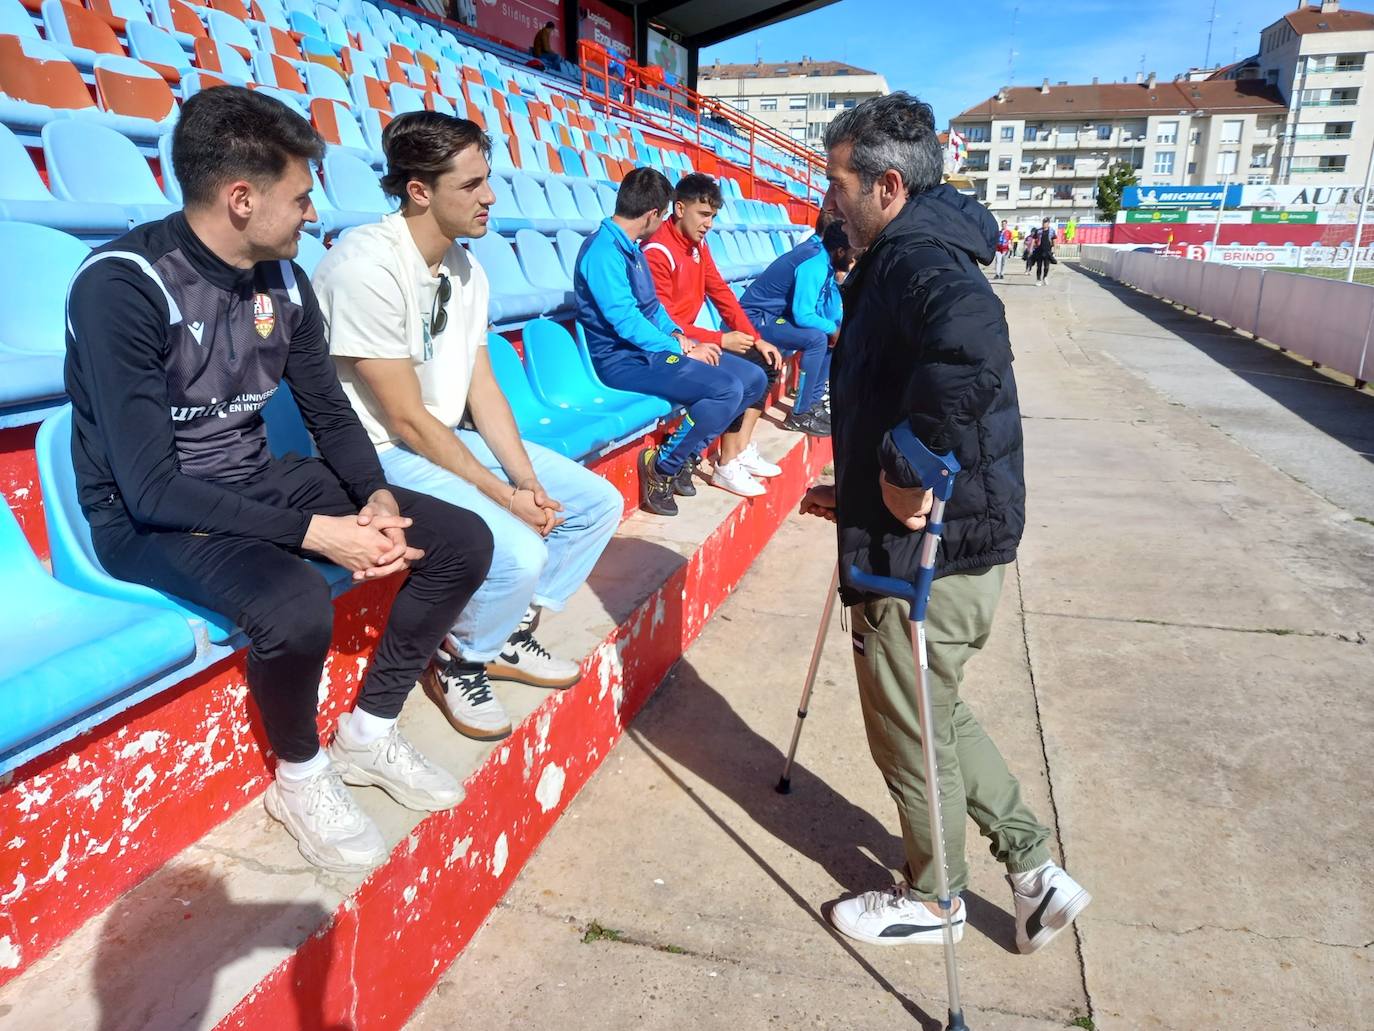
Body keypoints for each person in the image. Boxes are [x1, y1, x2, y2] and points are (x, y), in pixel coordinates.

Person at [63, 87, 496, 873]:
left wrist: (377, 499)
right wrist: (318, 533)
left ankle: (369, 730)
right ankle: (299, 775)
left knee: (462, 539)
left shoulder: (283, 280)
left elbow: (330, 413)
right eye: (300, 196)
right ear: (240, 198)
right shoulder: (122, 285)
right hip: (148, 518)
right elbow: (150, 487)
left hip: (256, 479)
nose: (312, 214)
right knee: (295, 602)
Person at [799, 91, 1090, 953]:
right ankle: (1034, 868)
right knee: (936, 704)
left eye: (837, 184)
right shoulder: (916, 243)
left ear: (887, 186)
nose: (827, 203)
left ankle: (935, 898)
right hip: (952, 532)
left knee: (909, 720)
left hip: (929, 542)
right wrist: (854, 488)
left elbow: (971, 345)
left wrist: (903, 469)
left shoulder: (915, 258)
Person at [313, 111, 623, 742]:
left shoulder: (466, 268)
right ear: (418, 191)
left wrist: (528, 483)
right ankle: (462, 659)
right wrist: (504, 497)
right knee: (520, 551)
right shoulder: (365, 266)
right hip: (380, 454)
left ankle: (505, 634)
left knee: (595, 505)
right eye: (472, 184)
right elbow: (404, 417)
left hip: (443, 437)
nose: (489, 197)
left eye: (490, 180)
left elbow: (482, 386)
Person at [573, 167, 769, 517]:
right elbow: (625, 320)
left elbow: (651, 309)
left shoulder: (629, 248)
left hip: (648, 352)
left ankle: (686, 454)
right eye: (661, 215)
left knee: (752, 379)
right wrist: (680, 347)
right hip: (621, 362)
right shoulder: (603, 251)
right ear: (653, 214)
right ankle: (662, 468)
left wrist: (681, 337)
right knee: (724, 389)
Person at [643, 172, 784, 494]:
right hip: (670, 345)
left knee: (762, 365)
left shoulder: (697, 244)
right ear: (679, 209)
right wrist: (720, 339)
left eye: (713, 217)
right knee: (741, 381)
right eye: (703, 214)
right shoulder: (657, 251)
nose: (709, 224)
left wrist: (755, 337)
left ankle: (717, 453)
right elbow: (665, 322)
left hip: (694, 343)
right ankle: (695, 459)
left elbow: (720, 291)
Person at [739, 220, 853, 436]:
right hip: (756, 319)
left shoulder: (826, 262)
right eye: (852, 252)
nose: (854, 257)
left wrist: (835, 327)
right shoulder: (815, 263)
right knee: (818, 338)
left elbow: (824, 311)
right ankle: (799, 414)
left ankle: (813, 403)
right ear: (840, 251)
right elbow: (803, 315)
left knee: (831, 336)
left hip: (777, 316)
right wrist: (831, 328)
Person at [1032, 216, 1057, 286]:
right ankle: (1038, 279)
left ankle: (1045, 277)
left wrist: (1054, 250)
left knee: (1046, 266)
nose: (1044, 224)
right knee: (1039, 266)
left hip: (1048, 251)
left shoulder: (1052, 231)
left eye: (1046, 223)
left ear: (1048, 223)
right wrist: (1031, 248)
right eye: (1043, 223)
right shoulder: (1038, 231)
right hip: (1039, 250)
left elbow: (1054, 240)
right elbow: (1033, 239)